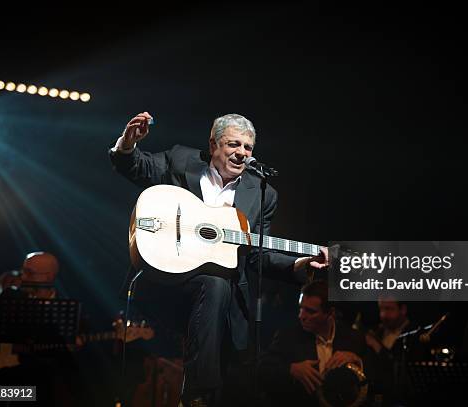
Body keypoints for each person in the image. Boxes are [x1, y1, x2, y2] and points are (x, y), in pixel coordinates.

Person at [109, 112, 328, 406]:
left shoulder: (262, 193)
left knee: (217, 284)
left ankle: (198, 395)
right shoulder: (181, 159)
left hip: (219, 300)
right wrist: (127, 144)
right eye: (233, 144)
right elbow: (136, 166)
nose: (241, 153)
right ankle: (199, 396)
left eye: (248, 148)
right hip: (166, 281)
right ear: (213, 144)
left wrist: (300, 265)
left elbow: (257, 255)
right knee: (216, 285)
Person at [258, 279, 365, 406]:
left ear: (330, 312)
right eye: (301, 308)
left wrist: (357, 360)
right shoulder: (288, 336)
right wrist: (291, 369)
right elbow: (262, 368)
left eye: (310, 311)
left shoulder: (352, 337)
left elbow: (378, 377)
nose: (301, 316)